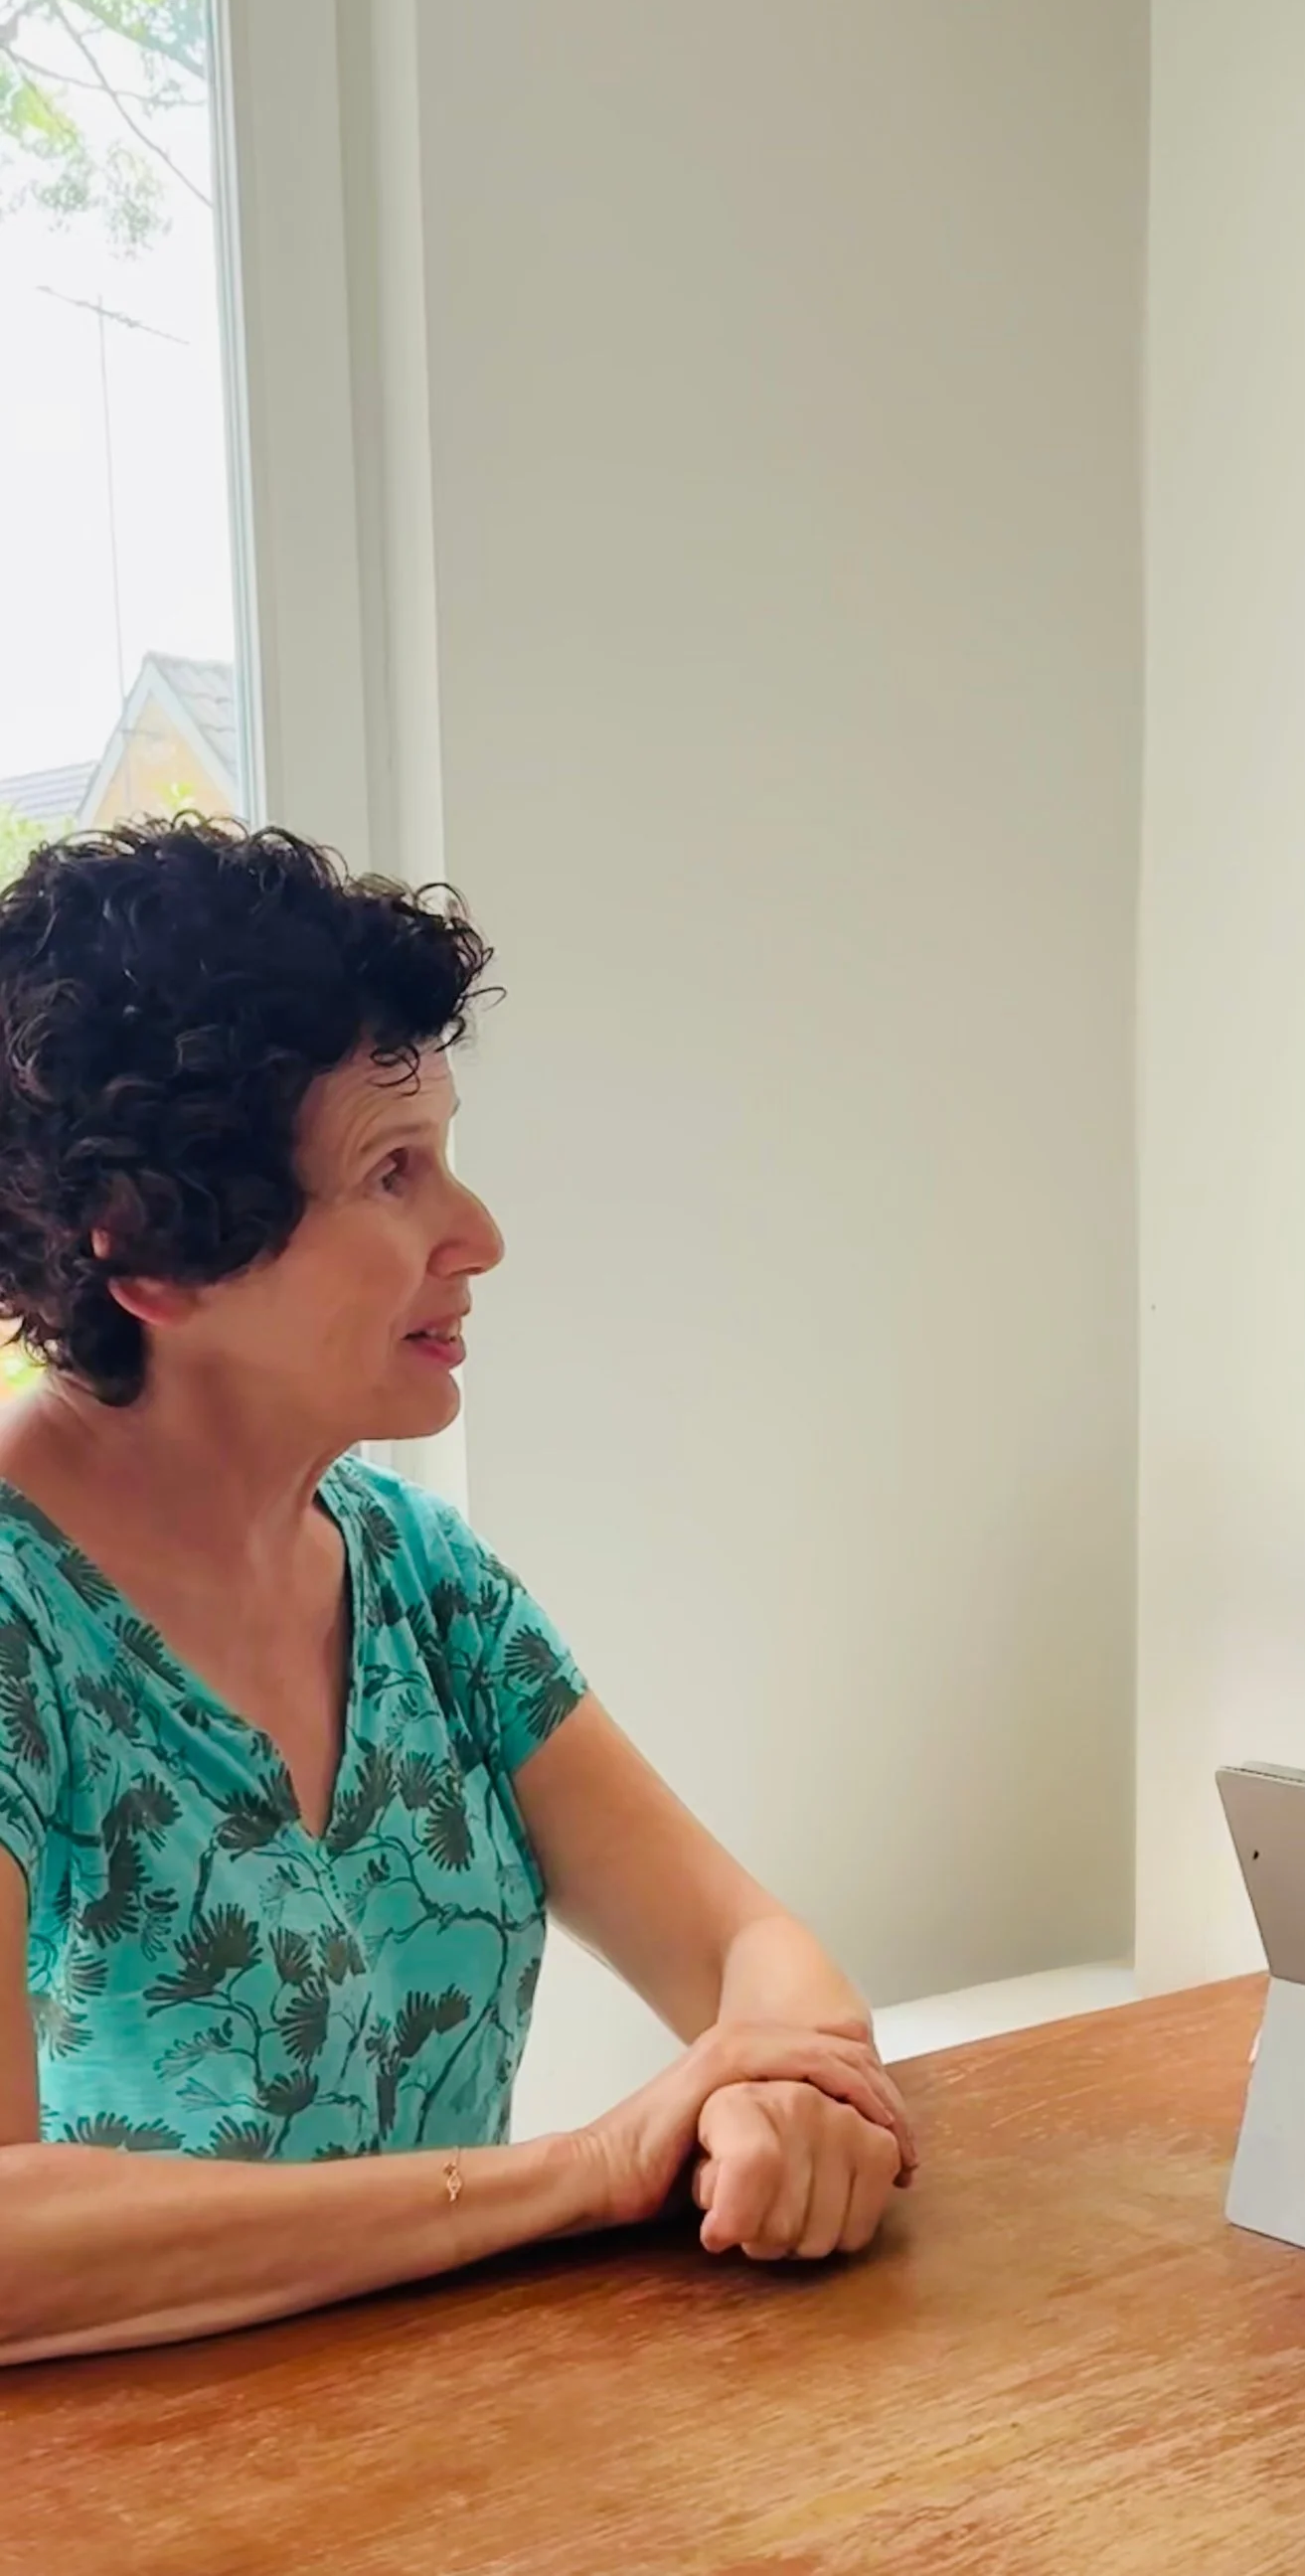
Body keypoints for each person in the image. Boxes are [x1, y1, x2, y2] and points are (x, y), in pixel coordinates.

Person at [0, 820, 916, 2365]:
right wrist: (578, 2175)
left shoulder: (422, 1580)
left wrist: (778, 2083)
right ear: (151, 1257)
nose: (475, 1236)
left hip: (467, 2452)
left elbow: (749, 1950)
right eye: (391, 1171)